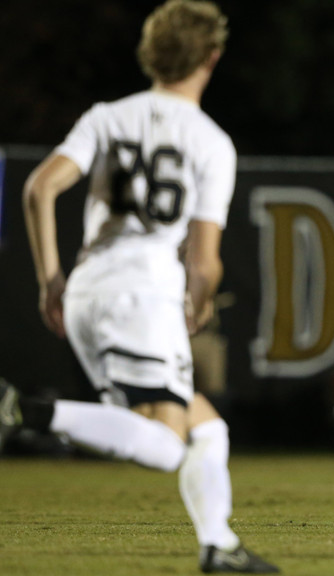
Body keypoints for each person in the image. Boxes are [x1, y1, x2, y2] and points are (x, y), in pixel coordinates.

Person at [6, 1, 277, 572]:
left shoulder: (107, 116)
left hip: (88, 288)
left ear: (150, 52)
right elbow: (204, 263)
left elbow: (38, 189)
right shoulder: (210, 142)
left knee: (208, 429)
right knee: (165, 445)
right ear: (212, 56)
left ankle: (218, 544)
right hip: (146, 294)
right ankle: (31, 413)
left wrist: (50, 279)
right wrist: (197, 306)